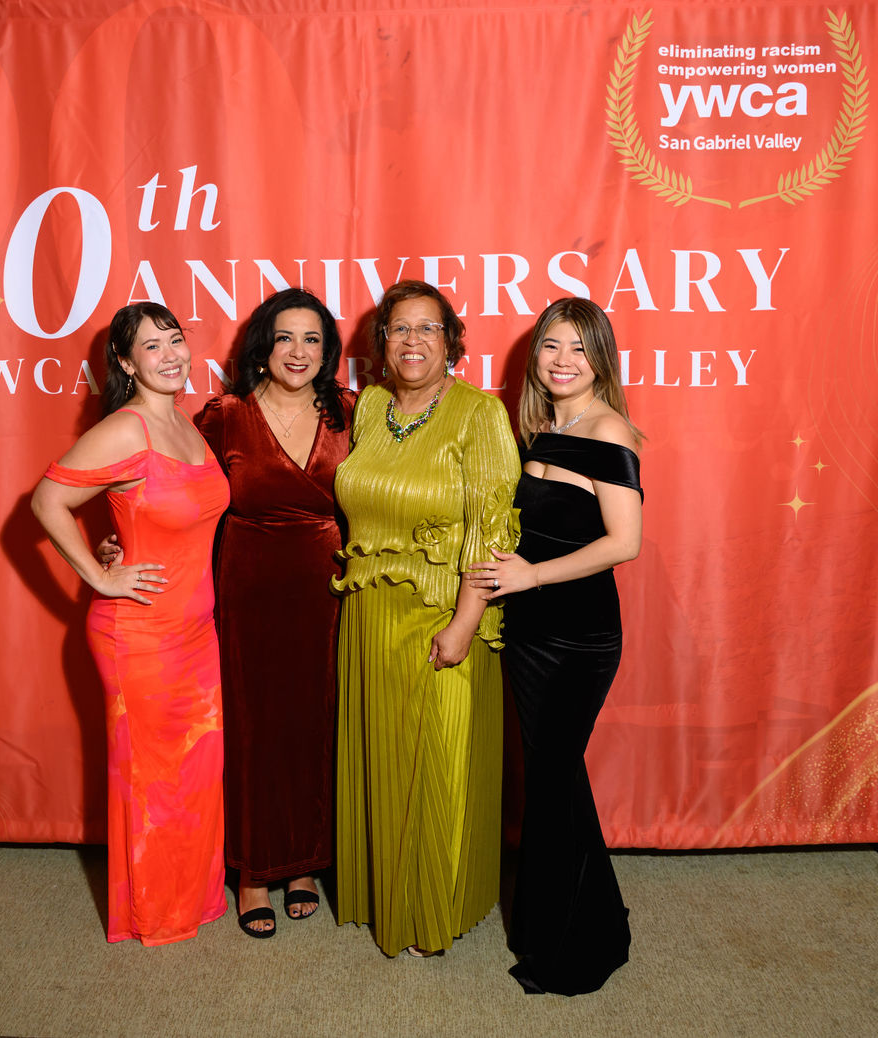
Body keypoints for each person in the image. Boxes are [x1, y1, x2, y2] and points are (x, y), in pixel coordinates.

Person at [331, 279, 521, 957]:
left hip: (444, 611)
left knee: (438, 764)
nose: (413, 341)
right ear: (382, 343)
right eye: (400, 328)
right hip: (368, 611)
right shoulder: (370, 406)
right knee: (382, 760)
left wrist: (465, 622)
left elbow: (492, 531)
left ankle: (430, 911)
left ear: (452, 342)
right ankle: (382, 894)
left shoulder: (479, 414)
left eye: (428, 328)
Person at [31, 302, 229, 946]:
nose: (171, 355)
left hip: (196, 632)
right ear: (125, 362)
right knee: (153, 779)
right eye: (152, 346)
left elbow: (158, 514)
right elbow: (47, 500)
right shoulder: (126, 429)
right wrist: (99, 574)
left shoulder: (187, 424)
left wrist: (119, 540)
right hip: (139, 636)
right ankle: (156, 914)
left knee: (195, 771)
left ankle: (192, 899)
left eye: (176, 340)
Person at [468, 297, 644, 994]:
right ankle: (588, 923)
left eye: (579, 347)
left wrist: (533, 575)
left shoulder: (609, 430)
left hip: (579, 637)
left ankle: (571, 952)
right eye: (551, 346)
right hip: (529, 631)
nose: (563, 360)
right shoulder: (542, 429)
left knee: (550, 783)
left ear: (601, 358)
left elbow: (624, 543)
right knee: (555, 782)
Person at [196, 288, 354, 937]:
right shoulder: (226, 415)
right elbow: (180, 493)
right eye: (285, 337)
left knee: (316, 721)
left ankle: (305, 864)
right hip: (249, 585)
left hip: (328, 588)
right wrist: (121, 543)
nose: (298, 351)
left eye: (312, 339)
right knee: (253, 727)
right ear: (263, 346)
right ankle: (254, 871)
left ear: (327, 351)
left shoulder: (349, 411)